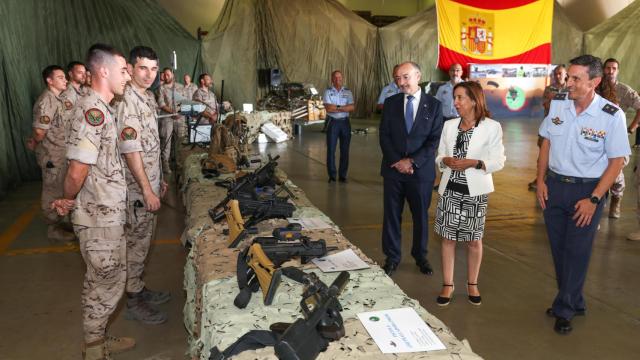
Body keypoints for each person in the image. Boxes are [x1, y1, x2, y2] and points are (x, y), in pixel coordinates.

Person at [51, 43, 135, 359]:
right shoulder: (92, 111)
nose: (127, 76)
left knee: (108, 279)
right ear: (103, 70)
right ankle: (94, 349)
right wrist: (66, 199)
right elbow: (77, 169)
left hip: (107, 212)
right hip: (97, 216)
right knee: (104, 282)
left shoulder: (103, 107)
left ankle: (97, 337)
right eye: (123, 69)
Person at [536, 55, 630, 334]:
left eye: (576, 78)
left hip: (586, 190)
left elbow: (617, 161)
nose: (569, 83)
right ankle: (574, 299)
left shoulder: (611, 115)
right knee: (559, 248)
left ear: (595, 82)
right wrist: (540, 181)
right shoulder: (558, 105)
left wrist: (594, 198)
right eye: (569, 77)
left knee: (576, 251)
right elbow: (546, 145)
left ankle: (565, 308)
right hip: (554, 187)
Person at [433, 81, 505, 306]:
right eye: (454, 97)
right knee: (448, 239)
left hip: (475, 193)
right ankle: (448, 284)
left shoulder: (492, 127)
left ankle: (472, 283)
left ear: (474, 100)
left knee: (474, 240)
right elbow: (439, 155)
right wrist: (444, 160)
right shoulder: (449, 126)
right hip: (450, 191)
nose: (455, 102)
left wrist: (475, 163)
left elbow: (498, 161)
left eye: (460, 98)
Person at [114, 46, 171, 325]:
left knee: (144, 242)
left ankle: (137, 286)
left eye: (153, 69)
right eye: (143, 68)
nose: (149, 75)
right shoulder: (127, 100)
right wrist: (147, 189)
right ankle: (133, 301)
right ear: (131, 68)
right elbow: (130, 149)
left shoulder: (147, 96)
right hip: (136, 190)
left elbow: (152, 143)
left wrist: (159, 180)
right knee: (135, 244)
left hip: (148, 183)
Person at [379, 61, 443, 276]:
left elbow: (434, 140)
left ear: (418, 76)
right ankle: (392, 257)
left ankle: (420, 256)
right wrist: (398, 161)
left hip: (420, 172)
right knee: (391, 216)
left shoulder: (434, 105)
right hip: (393, 170)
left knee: (420, 217)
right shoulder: (391, 103)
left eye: (405, 77)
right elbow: (384, 136)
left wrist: (412, 162)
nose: (401, 82)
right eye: (397, 78)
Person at [26, 65, 74, 242]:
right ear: (49, 80)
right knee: (52, 190)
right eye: (61, 77)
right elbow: (39, 132)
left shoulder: (58, 99)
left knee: (62, 187)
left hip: (62, 153)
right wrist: (34, 141)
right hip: (52, 156)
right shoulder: (46, 100)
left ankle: (62, 221)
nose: (65, 80)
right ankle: (52, 228)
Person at [599, 58, 640, 218]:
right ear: (603, 70)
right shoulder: (597, 88)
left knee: (616, 174)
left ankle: (616, 199)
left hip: (617, 139)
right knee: (597, 173)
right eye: (608, 68)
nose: (610, 71)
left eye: (614, 68)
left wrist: (632, 128)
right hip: (597, 137)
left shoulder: (624, 90)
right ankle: (597, 207)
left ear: (618, 70)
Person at [529, 65, 568, 190]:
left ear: (565, 74)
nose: (557, 76)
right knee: (543, 153)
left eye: (560, 73)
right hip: (549, 126)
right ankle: (540, 178)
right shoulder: (549, 89)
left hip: (565, 129)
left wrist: (555, 99)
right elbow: (546, 105)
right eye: (555, 73)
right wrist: (554, 101)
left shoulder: (570, 89)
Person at [323, 70, 355, 182]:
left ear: (342, 79)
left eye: (340, 78)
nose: (338, 80)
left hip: (345, 123)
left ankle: (342, 175)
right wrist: (343, 107)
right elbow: (328, 108)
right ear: (332, 79)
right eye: (335, 78)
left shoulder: (348, 92)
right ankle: (332, 176)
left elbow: (351, 107)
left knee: (345, 150)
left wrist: (336, 107)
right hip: (333, 122)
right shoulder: (327, 91)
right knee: (331, 150)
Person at [157, 67, 184, 174]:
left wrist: (180, 112)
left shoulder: (180, 87)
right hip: (167, 118)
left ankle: (180, 163)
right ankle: (165, 165)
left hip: (180, 117)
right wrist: (172, 112)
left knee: (180, 141)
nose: (166, 76)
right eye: (165, 75)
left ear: (173, 75)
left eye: (168, 74)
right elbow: (161, 104)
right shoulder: (161, 88)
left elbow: (185, 101)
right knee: (166, 142)